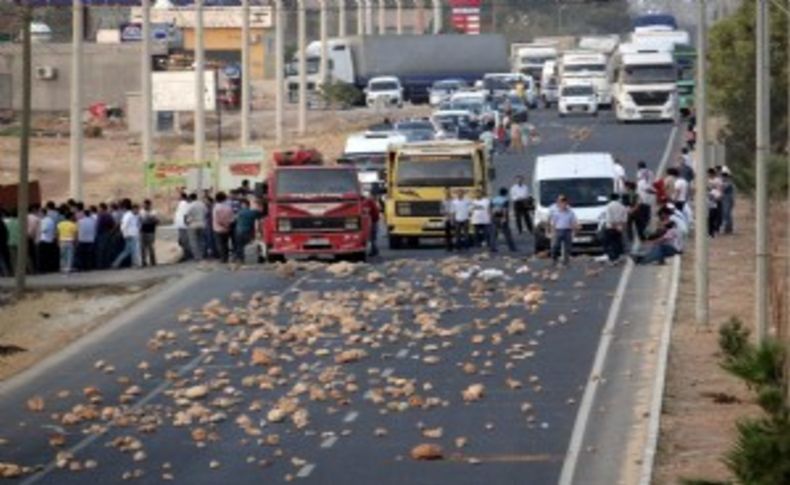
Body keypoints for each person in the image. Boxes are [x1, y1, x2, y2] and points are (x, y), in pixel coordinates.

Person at [549, 195, 577, 266]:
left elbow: (573, 222)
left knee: (567, 247)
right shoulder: (556, 213)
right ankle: (554, 259)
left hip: (567, 230)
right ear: (558, 203)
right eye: (561, 203)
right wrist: (552, 232)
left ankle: (566, 262)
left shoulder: (570, 212)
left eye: (564, 203)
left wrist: (574, 231)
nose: (563, 204)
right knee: (555, 246)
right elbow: (553, 223)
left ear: (566, 203)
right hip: (558, 230)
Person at [112, 200, 142, 269]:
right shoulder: (128, 215)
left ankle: (115, 264)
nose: (137, 211)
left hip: (132, 234)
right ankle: (135, 264)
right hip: (131, 234)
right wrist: (124, 233)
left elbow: (138, 224)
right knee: (134, 250)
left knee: (127, 251)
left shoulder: (134, 215)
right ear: (134, 209)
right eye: (137, 209)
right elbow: (124, 225)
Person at [601, 193, 628, 263]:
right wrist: (620, 227)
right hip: (620, 228)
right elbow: (625, 220)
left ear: (610, 198)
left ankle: (612, 258)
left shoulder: (609, 206)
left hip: (610, 228)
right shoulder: (622, 207)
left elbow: (609, 219)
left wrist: (614, 226)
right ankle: (617, 257)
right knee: (617, 243)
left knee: (609, 243)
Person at [233, 198, 262, 263]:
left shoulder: (239, 212)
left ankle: (240, 259)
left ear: (244, 205)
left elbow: (234, 220)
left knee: (239, 245)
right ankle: (240, 257)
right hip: (248, 232)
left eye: (241, 204)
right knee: (245, 244)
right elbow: (261, 215)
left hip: (239, 231)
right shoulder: (253, 212)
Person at [491, 188, 517, 252]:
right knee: (507, 233)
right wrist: (504, 218)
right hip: (502, 217)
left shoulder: (494, 199)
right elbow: (505, 209)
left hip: (494, 217)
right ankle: (512, 248)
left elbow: (490, 209)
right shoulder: (505, 200)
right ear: (505, 193)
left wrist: (491, 217)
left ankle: (492, 248)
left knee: (494, 234)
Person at [212, 192, 234, 263]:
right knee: (226, 243)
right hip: (227, 228)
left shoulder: (216, 207)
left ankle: (223, 258)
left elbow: (217, 219)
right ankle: (226, 257)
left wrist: (223, 224)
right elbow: (231, 218)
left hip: (218, 228)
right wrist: (227, 225)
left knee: (220, 244)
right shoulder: (228, 207)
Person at [185, 193, 207, 261]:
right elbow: (206, 212)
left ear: (190, 198)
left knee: (193, 241)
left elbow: (186, 215)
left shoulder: (190, 205)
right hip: (202, 223)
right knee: (201, 240)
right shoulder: (202, 204)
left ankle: (197, 256)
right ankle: (202, 254)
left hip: (193, 224)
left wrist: (186, 223)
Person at [38, 204, 59, 273]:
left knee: (43, 257)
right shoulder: (50, 220)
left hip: (44, 240)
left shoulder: (44, 221)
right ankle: (49, 268)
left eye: (39, 212)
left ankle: (44, 269)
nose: (38, 214)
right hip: (50, 240)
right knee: (48, 256)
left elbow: (43, 230)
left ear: (42, 213)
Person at [95, 203, 116, 269]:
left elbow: (98, 226)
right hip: (107, 233)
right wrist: (110, 232)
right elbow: (113, 225)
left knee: (101, 250)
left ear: (102, 208)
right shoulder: (109, 215)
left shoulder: (101, 215)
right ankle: (106, 264)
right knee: (107, 250)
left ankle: (100, 265)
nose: (98, 209)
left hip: (101, 234)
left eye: (99, 208)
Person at [75, 207, 97, 271]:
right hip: (90, 240)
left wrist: (76, 239)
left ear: (84, 214)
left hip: (81, 239)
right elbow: (95, 230)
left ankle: (81, 267)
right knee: (89, 255)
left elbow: (77, 230)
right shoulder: (93, 221)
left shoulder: (80, 221)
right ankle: (88, 267)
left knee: (81, 255)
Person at [140, 199, 159, 267]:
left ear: (149, 205)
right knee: (143, 247)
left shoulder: (153, 212)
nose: (144, 206)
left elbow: (157, 221)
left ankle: (153, 261)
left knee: (151, 247)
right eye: (144, 205)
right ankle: (143, 262)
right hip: (143, 231)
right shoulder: (141, 212)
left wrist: (151, 218)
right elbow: (140, 220)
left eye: (145, 205)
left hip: (151, 231)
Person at [174, 192, 192, 262]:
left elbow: (185, 214)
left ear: (182, 197)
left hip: (183, 225)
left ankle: (187, 255)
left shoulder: (183, 203)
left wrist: (185, 223)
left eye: (179, 196)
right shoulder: (182, 203)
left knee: (184, 241)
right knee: (182, 241)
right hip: (181, 225)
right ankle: (186, 254)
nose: (178, 197)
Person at [3, 209, 19, 276]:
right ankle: (28, 271)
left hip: (10, 241)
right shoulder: (20, 222)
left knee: (13, 258)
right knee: (24, 257)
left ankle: (15, 272)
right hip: (19, 241)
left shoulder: (7, 223)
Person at [707, 168, 723, 237]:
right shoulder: (708, 180)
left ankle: (716, 229)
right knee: (710, 216)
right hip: (709, 199)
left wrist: (719, 197)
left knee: (716, 215)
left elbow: (720, 189)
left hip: (716, 199)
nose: (708, 175)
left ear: (712, 173)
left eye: (709, 173)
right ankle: (710, 231)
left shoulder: (717, 180)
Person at [720, 167, 735, 234]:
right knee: (726, 213)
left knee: (726, 213)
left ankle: (728, 228)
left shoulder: (728, 182)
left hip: (728, 199)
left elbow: (723, 189)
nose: (723, 177)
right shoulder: (725, 182)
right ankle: (728, 228)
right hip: (726, 199)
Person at [0, 208, 10, 277]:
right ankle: (6, 273)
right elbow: (6, 233)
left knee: (1, 260)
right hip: (3, 243)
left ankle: (5, 273)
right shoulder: (2, 223)